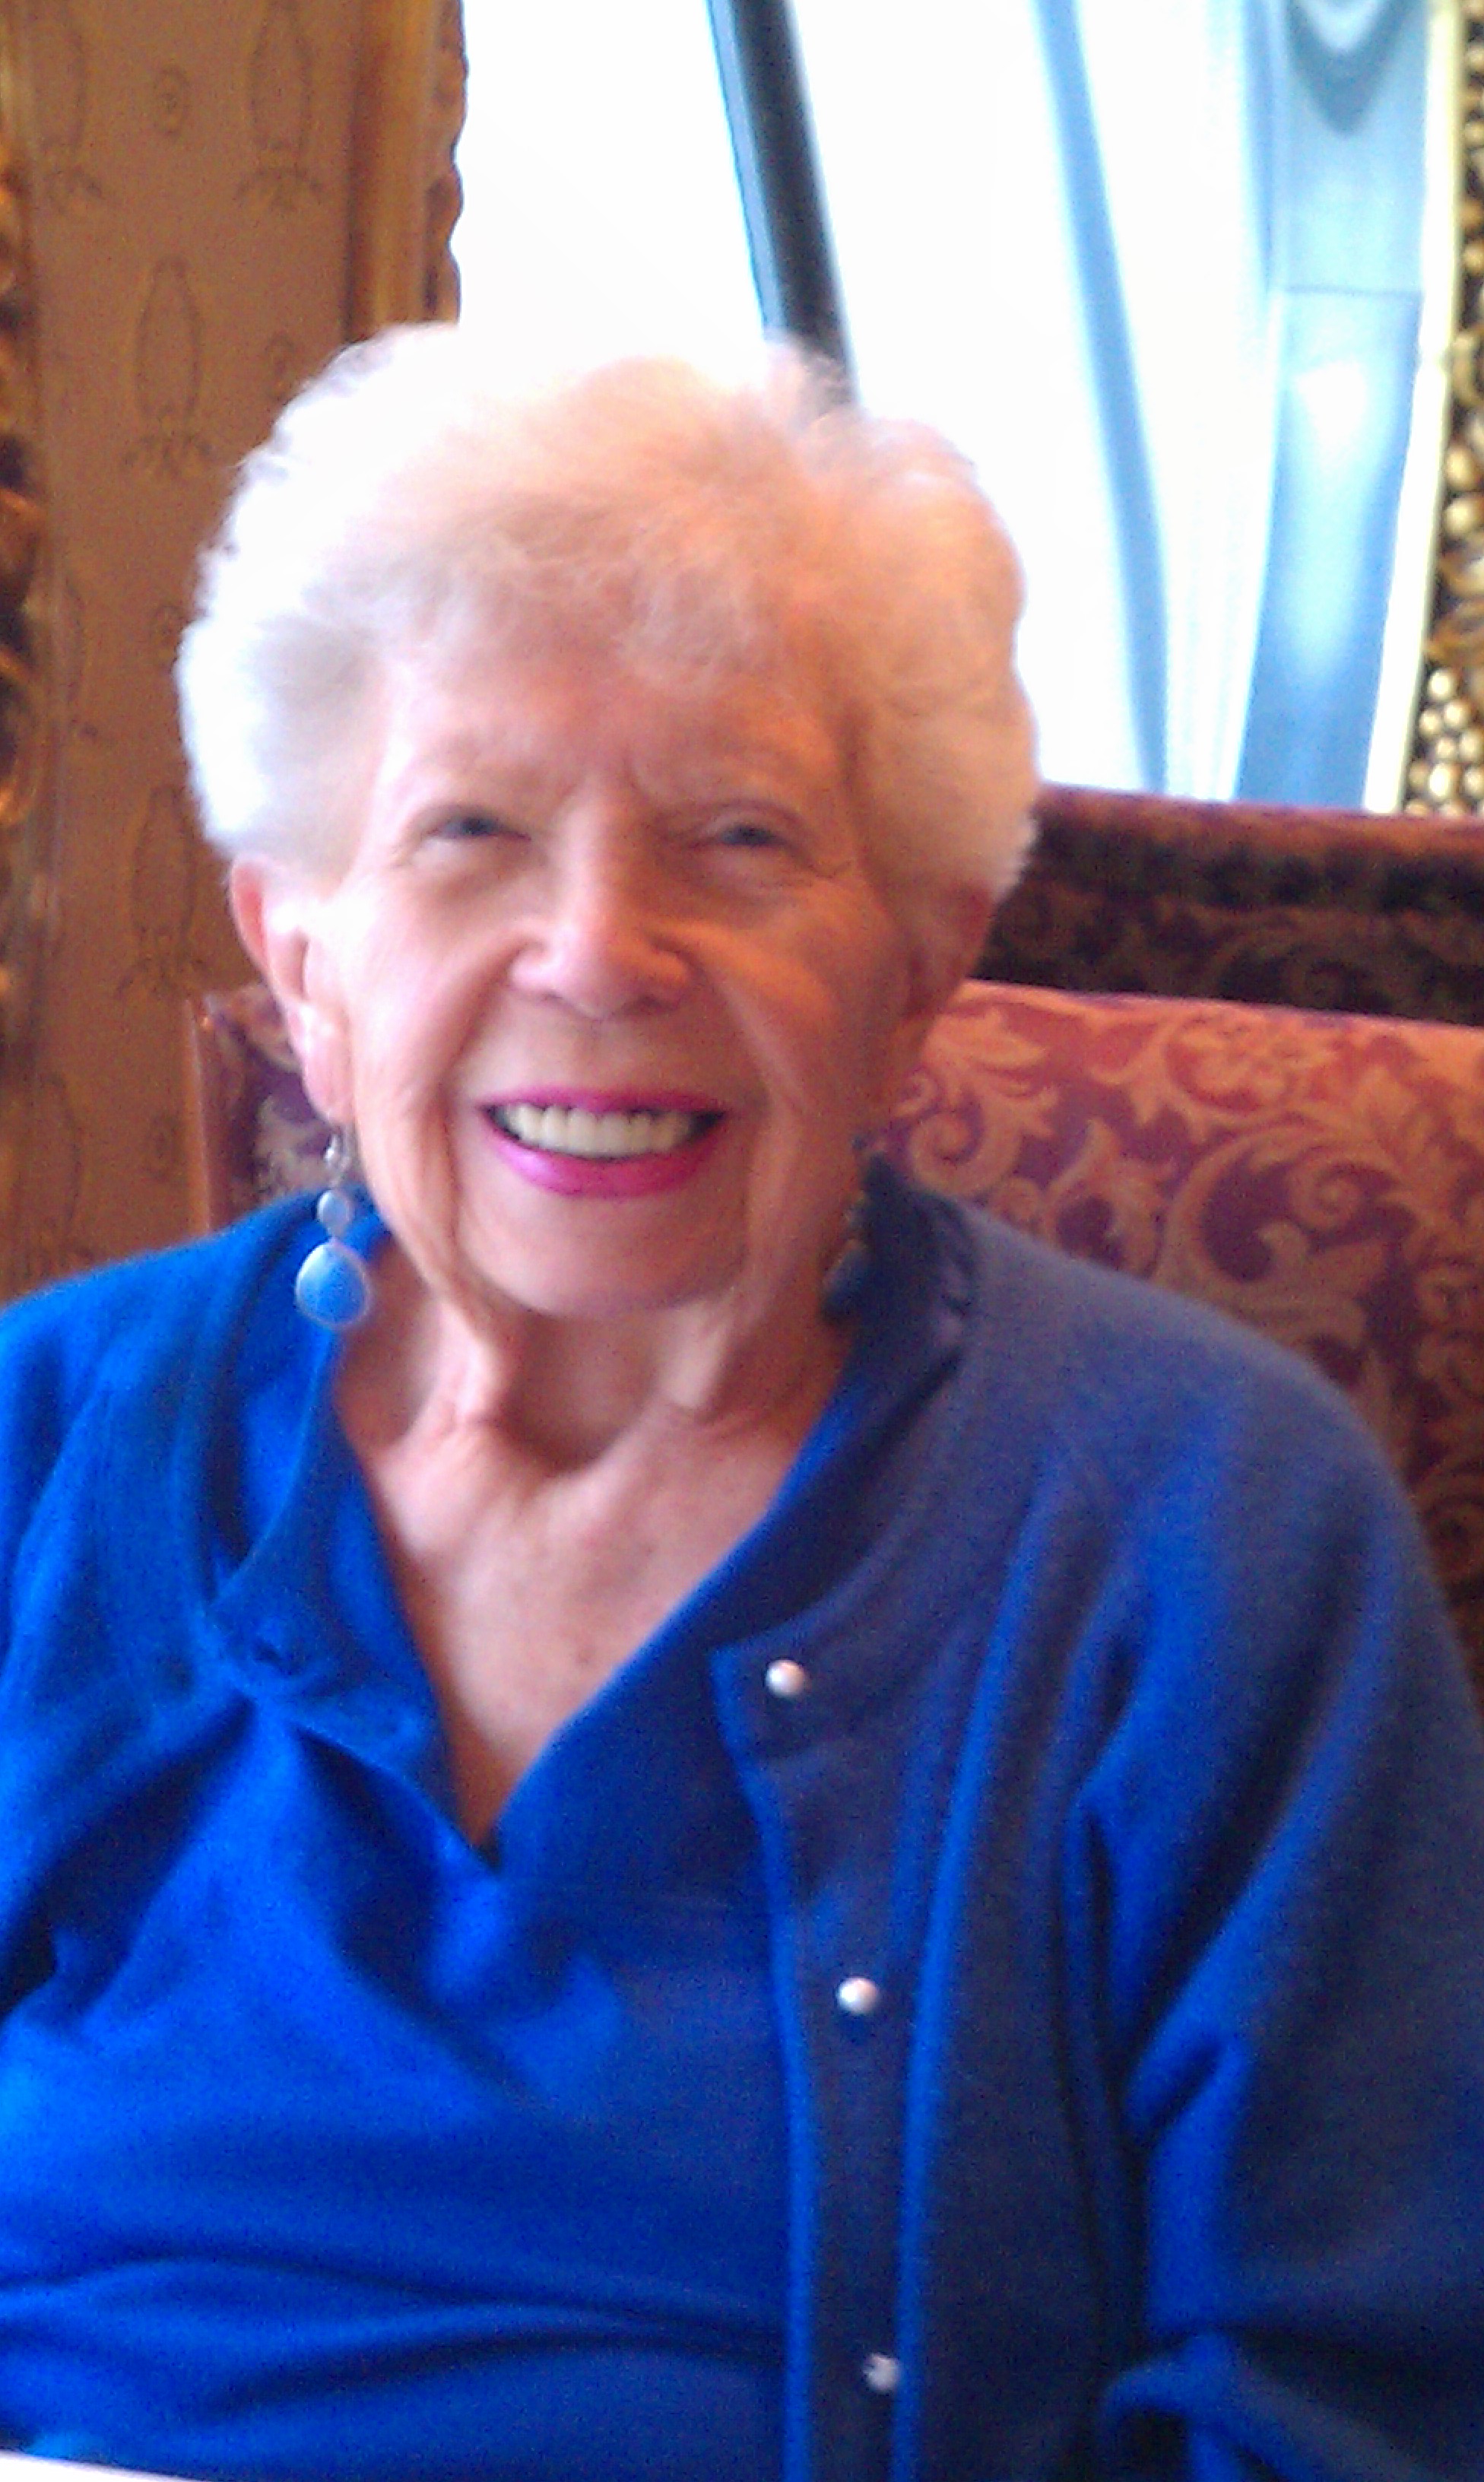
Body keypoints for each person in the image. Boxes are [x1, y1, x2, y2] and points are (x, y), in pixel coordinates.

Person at [0, 328, 1480, 2482]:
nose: (600, 951)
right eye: (472, 831)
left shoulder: (1210, 1533)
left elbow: (1345, 2404)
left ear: (918, 973)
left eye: (741, 836)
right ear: (304, 962)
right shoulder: (52, 1443)